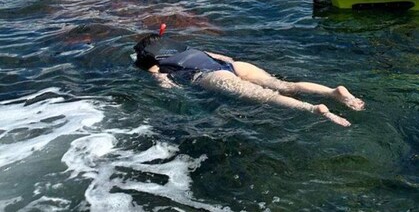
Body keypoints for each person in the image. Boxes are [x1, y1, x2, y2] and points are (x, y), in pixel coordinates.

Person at [134, 31, 365, 127]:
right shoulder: (188, 48)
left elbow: (165, 84)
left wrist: (173, 89)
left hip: (210, 76)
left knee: (268, 97)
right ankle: (331, 92)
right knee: (284, 85)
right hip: (233, 66)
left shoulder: (156, 64)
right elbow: (225, 57)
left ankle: (314, 109)